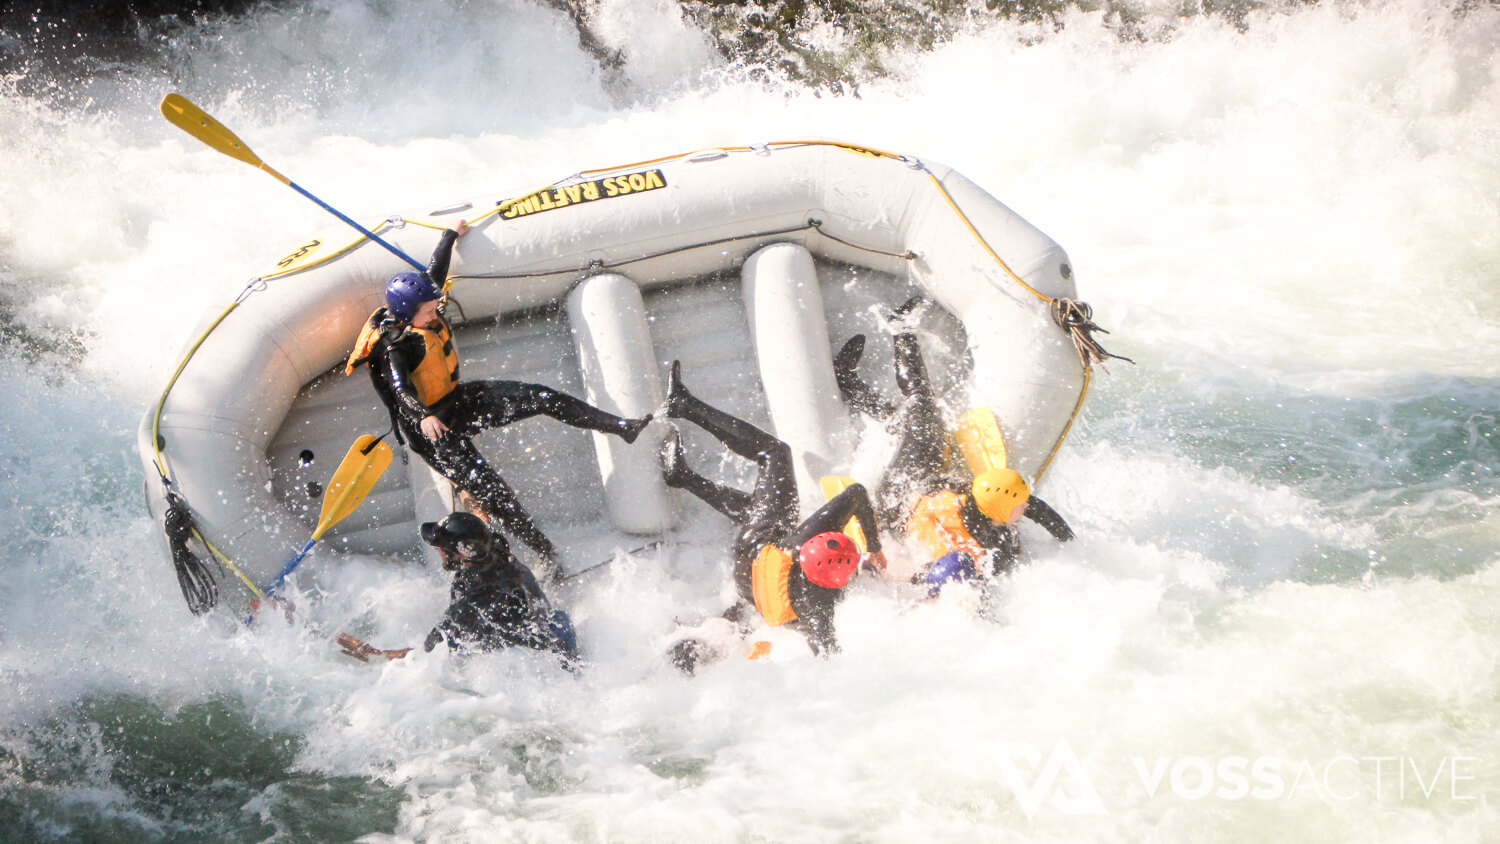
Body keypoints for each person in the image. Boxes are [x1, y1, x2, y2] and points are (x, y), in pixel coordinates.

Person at [345, 220, 652, 577]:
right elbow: (401, 390)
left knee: (540, 396)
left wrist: (449, 237)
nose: (436, 312)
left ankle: (619, 426)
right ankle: (546, 553)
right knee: (496, 494)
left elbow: (435, 271)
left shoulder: (422, 307)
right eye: (429, 311)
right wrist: (424, 416)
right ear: (407, 314)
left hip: (458, 401)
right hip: (434, 431)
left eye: (434, 306)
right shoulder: (396, 345)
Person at [832, 297, 1074, 594]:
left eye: (1021, 502)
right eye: (1020, 502)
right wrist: (1070, 542)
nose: (1026, 505)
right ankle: (895, 338)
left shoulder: (969, 542)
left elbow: (923, 575)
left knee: (918, 413)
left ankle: (859, 372)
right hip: (918, 489)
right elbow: (1035, 509)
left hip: (897, 502)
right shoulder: (981, 502)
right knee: (919, 413)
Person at [658, 361, 886, 671]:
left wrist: (875, 546)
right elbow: (832, 663)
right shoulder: (820, 611)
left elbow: (856, 493)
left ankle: (684, 405)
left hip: (755, 548)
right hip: (750, 591)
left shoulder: (803, 539)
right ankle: (683, 477)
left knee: (776, 453)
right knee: (759, 506)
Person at [336, 511, 579, 667]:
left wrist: (376, 655)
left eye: (441, 546)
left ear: (461, 554)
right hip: (551, 631)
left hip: (529, 661)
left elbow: (428, 656)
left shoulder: (471, 601)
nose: (436, 549)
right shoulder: (496, 549)